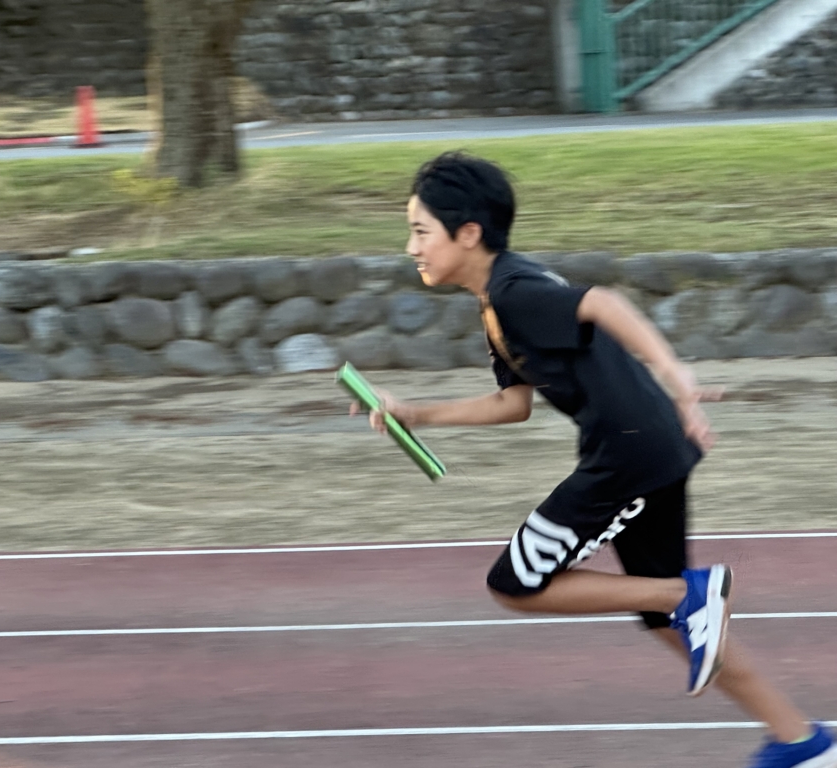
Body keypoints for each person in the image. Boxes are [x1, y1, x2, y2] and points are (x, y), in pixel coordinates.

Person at [351, 151, 835, 768]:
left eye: (421, 231)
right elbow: (512, 405)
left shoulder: (515, 292)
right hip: (647, 448)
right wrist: (415, 413)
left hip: (629, 454)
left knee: (516, 583)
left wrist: (677, 376)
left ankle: (687, 595)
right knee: (670, 619)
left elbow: (604, 302)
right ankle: (801, 741)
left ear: (468, 233)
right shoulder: (500, 301)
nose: (411, 247)